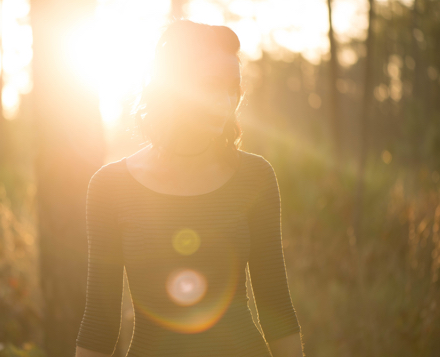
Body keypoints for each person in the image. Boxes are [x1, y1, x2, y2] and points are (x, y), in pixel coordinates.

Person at [75, 19, 304, 357]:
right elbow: (101, 322)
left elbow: (277, 309)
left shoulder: (255, 177)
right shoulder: (110, 187)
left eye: (233, 89)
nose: (225, 102)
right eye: (211, 85)